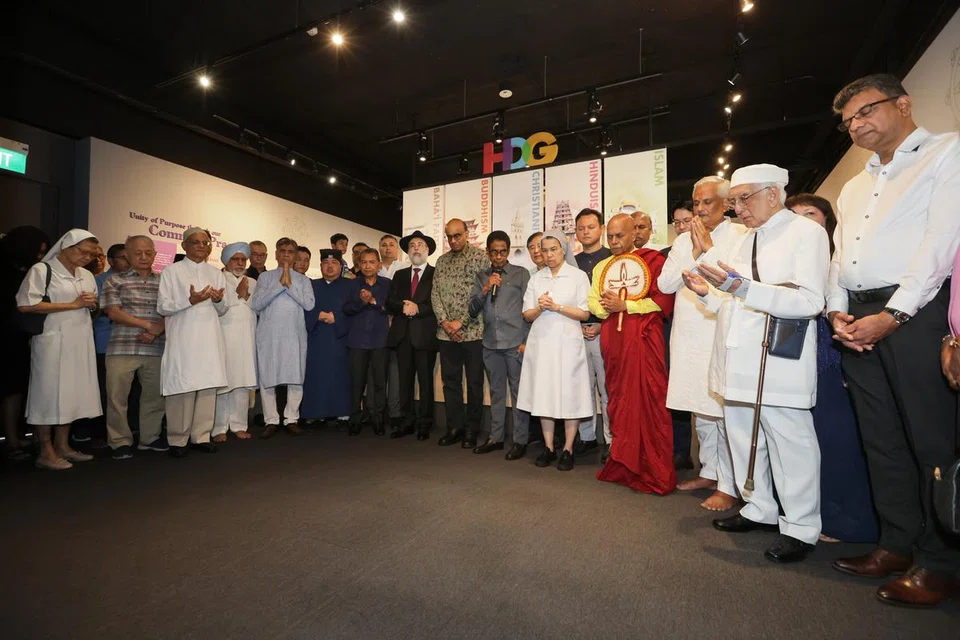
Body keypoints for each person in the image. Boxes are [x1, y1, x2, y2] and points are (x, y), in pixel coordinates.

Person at [826, 74, 960, 606]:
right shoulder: (855, 185)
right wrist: (837, 312)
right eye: (848, 121)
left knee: (931, 441)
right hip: (858, 318)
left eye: (865, 111)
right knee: (881, 439)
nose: (857, 125)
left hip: (916, 313)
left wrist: (896, 313)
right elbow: (842, 256)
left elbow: (941, 242)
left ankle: (941, 561)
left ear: (903, 104)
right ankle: (897, 543)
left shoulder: (946, 153)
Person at [683, 163, 828, 564]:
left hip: (779, 357)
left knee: (789, 442)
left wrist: (741, 287)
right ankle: (759, 507)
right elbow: (730, 299)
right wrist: (707, 293)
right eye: (734, 202)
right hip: (736, 354)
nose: (738, 209)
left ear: (773, 193)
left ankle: (800, 527)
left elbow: (810, 301)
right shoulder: (742, 240)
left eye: (744, 199)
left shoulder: (807, 233)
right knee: (743, 436)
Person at [785, 193, 878, 543]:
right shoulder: (784, 258)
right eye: (793, 215)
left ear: (827, 222)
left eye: (810, 213)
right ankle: (811, 513)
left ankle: (850, 520)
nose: (802, 220)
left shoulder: (839, 258)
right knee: (802, 441)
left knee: (838, 437)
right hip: (793, 355)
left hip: (835, 353)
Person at [658, 178, 746, 511]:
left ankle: (729, 482)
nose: (700, 209)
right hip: (688, 331)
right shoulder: (682, 240)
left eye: (707, 202)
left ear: (726, 204)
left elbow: (731, 280)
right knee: (699, 406)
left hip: (718, 328)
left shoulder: (739, 235)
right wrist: (692, 253)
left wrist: (706, 249)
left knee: (721, 410)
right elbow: (665, 285)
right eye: (696, 203)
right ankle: (709, 471)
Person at [590, 214, 676, 494]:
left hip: (643, 339)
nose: (614, 242)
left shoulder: (652, 261)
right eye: (610, 237)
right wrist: (609, 308)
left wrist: (626, 306)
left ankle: (653, 468)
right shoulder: (602, 266)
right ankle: (624, 462)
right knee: (618, 400)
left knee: (650, 399)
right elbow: (594, 302)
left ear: (634, 235)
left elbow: (663, 300)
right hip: (613, 341)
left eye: (620, 236)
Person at [15, 229, 100, 470]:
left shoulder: (86, 274)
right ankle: (45, 450)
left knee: (72, 393)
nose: (87, 257)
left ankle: (63, 445)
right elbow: (25, 305)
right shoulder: (42, 270)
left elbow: (91, 306)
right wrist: (72, 304)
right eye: (83, 252)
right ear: (66, 247)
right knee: (48, 394)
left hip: (80, 340)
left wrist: (92, 305)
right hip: (52, 341)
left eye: (91, 254)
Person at [517, 230, 592, 470]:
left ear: (564, 250)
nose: (548, 255)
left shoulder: (578, 276)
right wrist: (540, 308)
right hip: (542, 344)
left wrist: (557, 307)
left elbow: (585, 312)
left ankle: (568, 448)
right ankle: (549, 447)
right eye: (544, 250)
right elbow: (527, 315)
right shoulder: (536, 279)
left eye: (553, 250)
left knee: (571, 393)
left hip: (569, 343)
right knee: (544, 393)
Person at [157, 227, 229, 457]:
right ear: (184, 245)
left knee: (207, 386)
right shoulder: (171, 272)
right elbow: (163, 307)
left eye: (205, 243)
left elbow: (223, 309)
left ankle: (201, 436)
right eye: (195, 242)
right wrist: (190, 299)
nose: (201, 246)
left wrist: (217, 300)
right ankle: (178, 440)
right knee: (182, 387)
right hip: (183, 338)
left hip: (209, 337)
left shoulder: (216, 272)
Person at [100, 235, 167, 459]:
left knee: (154, 396)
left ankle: (150, 437)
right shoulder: (115, 281)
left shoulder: (165, 281)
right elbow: (114, 312)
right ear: (127, 255)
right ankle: (119, 441)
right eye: (137, 253)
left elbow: (174, 310)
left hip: (156, 348)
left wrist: (159, 328)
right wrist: (149, 325)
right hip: (122, 347)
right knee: (117, 397)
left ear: (155, 255)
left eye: (148, 253)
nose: (143, 257)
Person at [469, 230, 531, 460]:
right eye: (494, 252)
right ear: (487, 252)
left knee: (518, 394)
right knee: (496, 393)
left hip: (514, 343)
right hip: (490, 344)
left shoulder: (520, 274)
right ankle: (495, 438)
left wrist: (525, 341)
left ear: (508, 251)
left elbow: (529, 310)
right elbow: (472, 309)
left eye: (502, 252)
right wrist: (486, 288)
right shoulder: (481, 277)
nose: (498, 256)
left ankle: (520, 440)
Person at [431, 219, 489, 448]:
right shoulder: (441, 261)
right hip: (446, 335)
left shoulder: (480, 258)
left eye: (457, 235)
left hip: (473, 333)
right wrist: (446, 323)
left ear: (466, 233)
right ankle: (454, 427)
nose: (453, 240)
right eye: (449, 237)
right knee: (451, 383)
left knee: (474, 383)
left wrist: (461, 324)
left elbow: (483, 295)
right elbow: (435, 294)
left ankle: (472, 431)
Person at [250, 237, 315, 438]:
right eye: (283, 251)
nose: (286, 254)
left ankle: (292, 419)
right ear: (276, 254)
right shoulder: (265, 278)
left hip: (294, 335)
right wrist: (281, 284)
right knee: (268, 377)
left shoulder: (304, 280)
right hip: (269, 335)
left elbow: (309, 305)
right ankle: (271, 420)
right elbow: (257, 304)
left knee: (296, 378)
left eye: (290, 251)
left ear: (295, 255)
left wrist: (290, 283)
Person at [0, 226, 49, 462]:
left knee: (19, 390)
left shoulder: (32, 273)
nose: (39, 258)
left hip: (23, 338)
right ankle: (11, 441)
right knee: (12, 390)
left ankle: (18, 438)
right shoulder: (8, 273)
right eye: (37, 252)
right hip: (8, 338)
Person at [386, 232, 439, 440]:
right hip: (403, 336)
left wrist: (418, 308)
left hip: (425, 336)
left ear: (427, 250)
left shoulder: (436, 273)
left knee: (425, 382)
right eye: (413, 245)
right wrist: (404, 306)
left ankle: (425, 423)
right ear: (408, 251)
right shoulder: (399, 275)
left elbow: (438, 303)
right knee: (404, 382)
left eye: (421, 245)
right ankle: (406, 421)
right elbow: (390, 302)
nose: (416, 248)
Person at [573, 208, 611, 460]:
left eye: (590, 227)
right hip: (575, 335)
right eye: (581, 228)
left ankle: (611, 439)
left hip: (605, 333)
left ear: (602, 229)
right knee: (582, 388)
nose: (585, 232)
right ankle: (586, 437)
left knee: (607, 390)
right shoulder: (570, 262)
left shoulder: (613, 258)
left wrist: (601, 325)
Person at [81, 242, 127, 446]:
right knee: (104, 390)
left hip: (133, 343)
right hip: (105, 341)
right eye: (123, 257)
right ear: (111, 260)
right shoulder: (98, 280)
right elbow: (97, 311)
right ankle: (100, 432)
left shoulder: (140, 280)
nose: (129, 261)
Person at [343, 248, 391, 436]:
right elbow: (346, 309)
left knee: (379, 383)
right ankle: (355, 419)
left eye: (372, 262)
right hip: (357, 341)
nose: (368, 266)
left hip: (380, 340)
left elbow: (392, 306)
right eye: (364, 262)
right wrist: (361, 303)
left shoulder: (387, 284)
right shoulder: (352, 285)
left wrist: (373, 301)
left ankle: (378, 419)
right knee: (357, 383)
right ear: (359, 264)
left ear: (379, 265)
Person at [213, 242, 258, 442]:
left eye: (243, 259)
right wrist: (235, 293)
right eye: (235, 259)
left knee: (242, 384)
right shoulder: (218, 278)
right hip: (224, 338)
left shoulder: (253, 281)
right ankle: (219, 428)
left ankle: (239, 425)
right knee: (224, 384)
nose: (240, 263)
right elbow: (219, 306)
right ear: (226, 261)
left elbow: (258, 306)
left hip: (247, 339)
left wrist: (245, 294)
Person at [301, 250, 352, 426]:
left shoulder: (350, 285)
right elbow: (302, 307)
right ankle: (316, 413)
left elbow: (354, 310)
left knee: (340, 374)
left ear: (341, 266)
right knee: (316, 374)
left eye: (334, 263)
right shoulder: (310, 285)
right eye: (325, 263)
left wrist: (336, 317)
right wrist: (317, 314)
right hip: (316, 337)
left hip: (340, 338)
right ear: (321, 265)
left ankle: (342, 412)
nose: (329, 266)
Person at [665, 202, 695, 470]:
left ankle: (686, 451)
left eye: (686, 221)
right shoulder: (669, 253)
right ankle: (677, 450)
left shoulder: (716, 247)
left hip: (706, 328)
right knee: (677, 390)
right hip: (672, 329)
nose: (681, 227)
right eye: (677, 222)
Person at [377, 234, 406, 432]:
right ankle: (375, 412)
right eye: (384, 245)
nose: (388, 248)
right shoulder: (373, 268)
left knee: (395, 374)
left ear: (397, 248)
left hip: (397, 327)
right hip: (375, 329)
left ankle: (395, 413)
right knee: (376, 374)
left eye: (391, 245)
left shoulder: (404, 269)